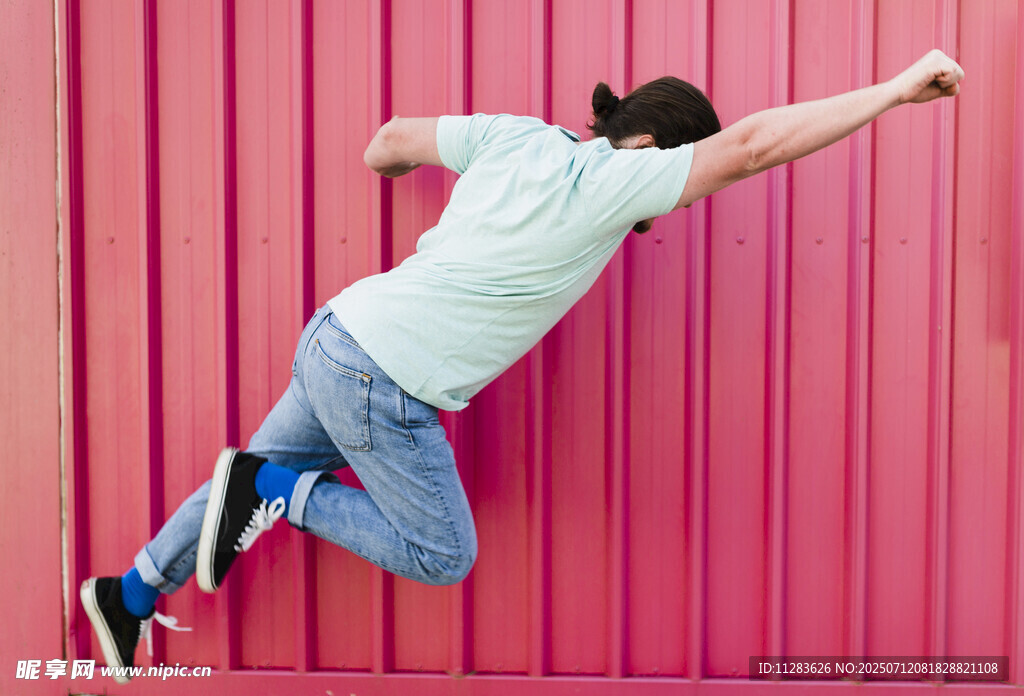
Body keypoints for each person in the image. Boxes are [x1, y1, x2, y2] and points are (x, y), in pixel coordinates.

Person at [80, 49, 963, 682]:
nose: (657, 214)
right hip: (384, 378)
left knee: (243, 475)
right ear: (656, 149)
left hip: (339, 335)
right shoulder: (616, 181)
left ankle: (126, 593)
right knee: (439, 551)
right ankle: (280, 491)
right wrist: (891, 93)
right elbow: (757, 145)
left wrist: (392, 170)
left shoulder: (512, 137)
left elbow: (389, 140)